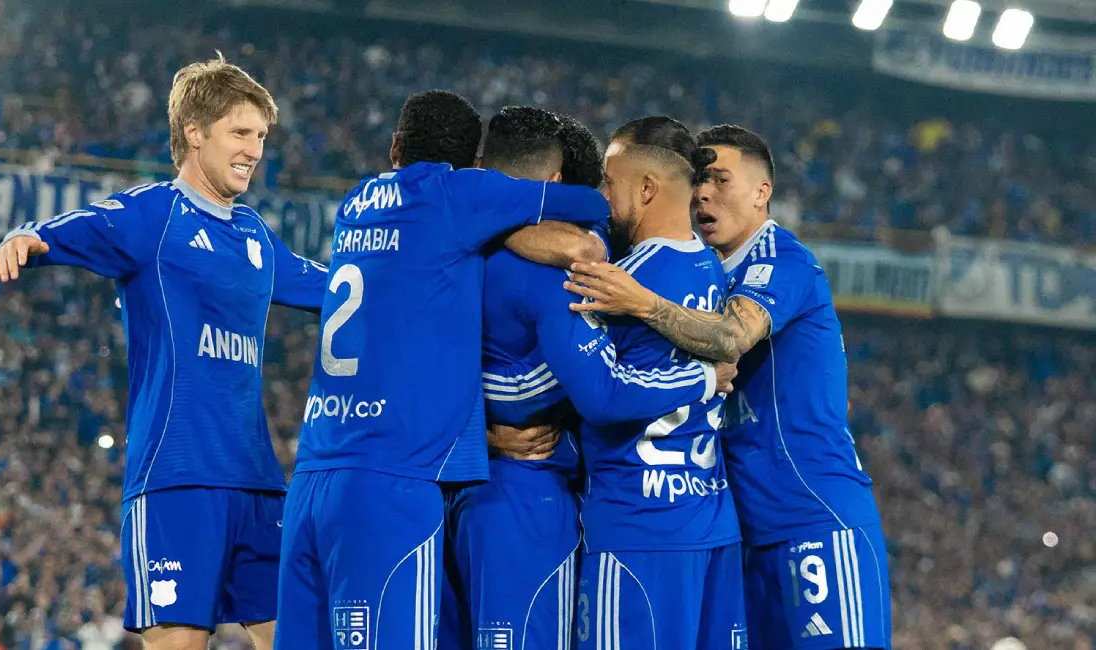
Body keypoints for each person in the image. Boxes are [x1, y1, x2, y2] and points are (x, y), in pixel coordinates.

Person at [0, 54, 327, 650]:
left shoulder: (255, 236)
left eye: (262, 136)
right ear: (194, 133)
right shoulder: (154, 215)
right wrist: (26, 238)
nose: (255, 149)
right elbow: (71, 227)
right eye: (241, 132)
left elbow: (337, 289)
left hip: (257, 484)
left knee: (300, 638)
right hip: (176, 481)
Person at [274, 91, 611, 650]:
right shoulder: (458, 198)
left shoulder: (357, 200)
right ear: (470, 166)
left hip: (314, 473)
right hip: (396, 484)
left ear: (394, 146)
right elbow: (592, 208)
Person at [566, 124, 891, 649]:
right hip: (740, 531)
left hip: (813, 518)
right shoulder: (705, 269)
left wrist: (641, 302)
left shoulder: (782, 260)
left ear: (763, 192)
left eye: (720, 180)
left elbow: (731, 337)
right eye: (699, 180)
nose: (703, 194)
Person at [446, 108, 734, 650]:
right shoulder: (713, 267)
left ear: (646, 189)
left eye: (609, 180)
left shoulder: (612, 278)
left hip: (631, 521)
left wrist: (480, 432)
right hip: (705, 515)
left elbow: (601, 391)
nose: (600, 194)